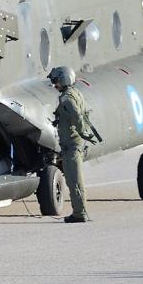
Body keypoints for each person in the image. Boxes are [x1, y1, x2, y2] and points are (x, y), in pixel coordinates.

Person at [49, 66, 98, 223]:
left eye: (56, 81)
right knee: (74, 179)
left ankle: (79, 212)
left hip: (72, 144)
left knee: (74, 180)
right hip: (75, 142)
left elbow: (76, 115)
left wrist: (81, 131)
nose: (54, 85)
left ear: (63, 80)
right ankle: (79, 211)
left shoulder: (66, 98)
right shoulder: (75, 93)